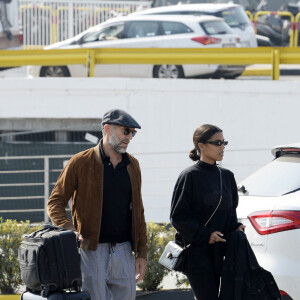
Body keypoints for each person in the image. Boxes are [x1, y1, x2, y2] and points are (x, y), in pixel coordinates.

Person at [47, 109, 148, 300]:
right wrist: (69, 230)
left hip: (124, 250)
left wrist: (142, 253)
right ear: (107, 129)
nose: (130, 137)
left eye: (133, 133)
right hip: (91, 251)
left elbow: (138, 211)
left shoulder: (133, 165)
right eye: (126, 131)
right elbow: (55, 202)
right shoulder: (80, 162)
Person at [170, 124, 245, 300]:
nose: (222, 147)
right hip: (198, 253)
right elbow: (177, 217)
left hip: (224, 252)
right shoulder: (189, 176)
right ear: (201, 145)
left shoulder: (227, 175)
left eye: (224, 142)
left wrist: (236, 228)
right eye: (217, 142)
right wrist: (206, 234)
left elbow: (230, 211)